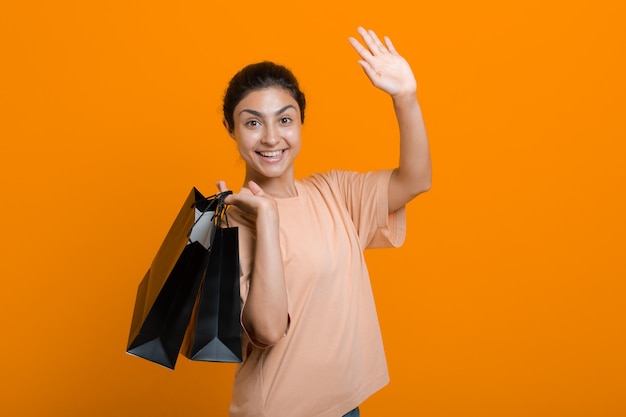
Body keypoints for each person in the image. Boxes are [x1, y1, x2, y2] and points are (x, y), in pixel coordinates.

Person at [216, 26, 431, 417]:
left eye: (284, 120)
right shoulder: (231, 222)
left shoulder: (335, 192)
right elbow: (266, 331)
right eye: (252, 123)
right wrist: (266, 219)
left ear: (300, 123)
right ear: (230, 129)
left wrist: (406, 98)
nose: (270, 138)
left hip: (345, 405)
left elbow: (415, 180)